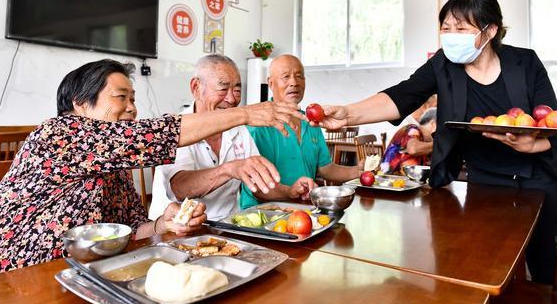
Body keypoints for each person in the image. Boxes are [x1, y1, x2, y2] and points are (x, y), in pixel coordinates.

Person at [0, 59, 303, 282]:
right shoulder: (58, 133)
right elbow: (153, 135)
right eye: (121, 98)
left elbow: (134, 229)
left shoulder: (113, 164)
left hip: (75, 277)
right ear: (80, 104)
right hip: (0, 280)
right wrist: (246, 113)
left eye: (134, 99)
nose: (132, 108)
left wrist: (165, 224)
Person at [316, 0, 557, 284]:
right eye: (446, 28)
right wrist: (348, 112)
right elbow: (401, 96)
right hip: (484, 180)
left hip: (537, 177)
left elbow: (554, 125)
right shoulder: (443, 64)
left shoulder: (524, 62)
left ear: (490, 31)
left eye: (461, 29)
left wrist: (532, 145)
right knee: (485, 259)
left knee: (543, 263)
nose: (450, 36)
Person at [150, 55, 279, 221]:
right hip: (175, 226)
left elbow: (258, 181)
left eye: (237, 90)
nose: (231, 99)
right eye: (223, 89)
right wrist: (228, 169)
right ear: (196, 87)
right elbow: (179, 189)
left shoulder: (238, 129)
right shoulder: (177, 128)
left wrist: (291, 191)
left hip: (227, 224)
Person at [240, 54, 363, 209]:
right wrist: (289, 191)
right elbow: (256, 185)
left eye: (299, 76)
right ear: (270, 83)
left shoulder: (311, 122)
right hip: (264, 213)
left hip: (302, 209)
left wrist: (359, 171)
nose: (294, 82)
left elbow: (326, 169)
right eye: (286, 76)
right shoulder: (257, 126)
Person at [382, 107, 436, 175]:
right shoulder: (413, 128)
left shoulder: (426, 141)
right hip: (390, 178)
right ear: (433, 124)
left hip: (407, 178)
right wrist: (440, 143)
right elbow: (413, 149)